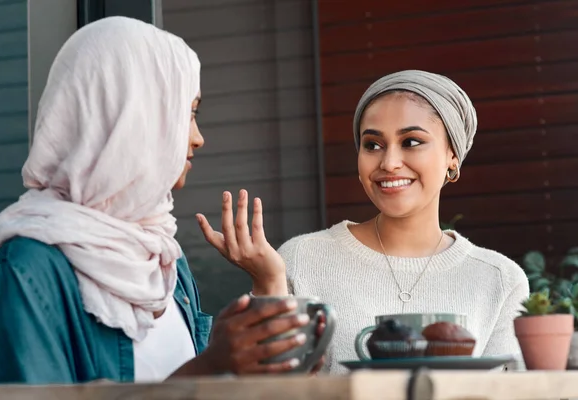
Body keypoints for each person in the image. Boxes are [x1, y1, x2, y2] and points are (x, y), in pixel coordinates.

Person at [0, 16, 318, 398]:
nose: (198, 138)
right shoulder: (28, 268)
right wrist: (211, 365)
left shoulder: (160, 256)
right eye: (187, 113)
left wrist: (271, 306)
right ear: (129, 117)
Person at [198, 70, 530, 374]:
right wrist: (269, 283)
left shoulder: (499, 279)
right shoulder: (303, 258)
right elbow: (269, 390)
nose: (389, 162)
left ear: (451, 157)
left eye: (411, 142)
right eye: (372, 145)